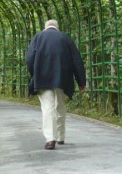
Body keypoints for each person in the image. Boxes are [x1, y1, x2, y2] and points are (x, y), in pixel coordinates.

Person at [26, 19, 87, 150]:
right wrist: (81, 81)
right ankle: (61, 136)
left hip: (42, 78)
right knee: (60, 105)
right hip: (62, 78)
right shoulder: (65, 38)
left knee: (48, 107)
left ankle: (50, 139)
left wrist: (34, 73)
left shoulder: (38, 37)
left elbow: (29, 58)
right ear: (56, 28)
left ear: (45, 27)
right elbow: (76, 60)